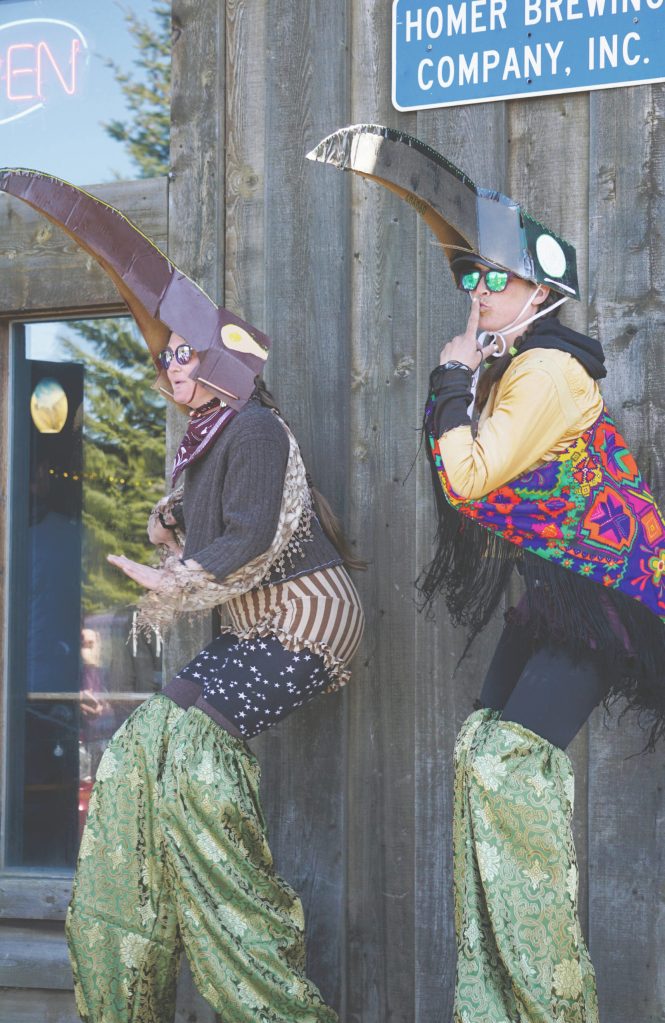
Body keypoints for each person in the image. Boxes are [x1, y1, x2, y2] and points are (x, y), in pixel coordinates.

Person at [308, 125, 665, 1023]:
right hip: (556, 594)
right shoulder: (512, 365)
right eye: (468, 277)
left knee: (508, 766)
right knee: (478, 748)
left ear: (539, 293)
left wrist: (444, 376)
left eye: (491, 279)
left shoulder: (543, 368)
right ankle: (498, 994)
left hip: (607, 595)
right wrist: (463, 379)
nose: (474, 293)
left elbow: (466, 477)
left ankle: (550, 1002)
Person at [64, 331, 364, 1023]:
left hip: (302, 616)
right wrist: (173, 524)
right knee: (140, 749)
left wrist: (176, 576)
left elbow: (251, 535)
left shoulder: (254, 425)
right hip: (248, 625)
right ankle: (126, 990)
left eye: (184, 352)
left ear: (227, 363)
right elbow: (222, 525)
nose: (170, 365)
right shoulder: (207, 437)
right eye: (165, 354)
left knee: (196, 757)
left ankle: (263, 986)